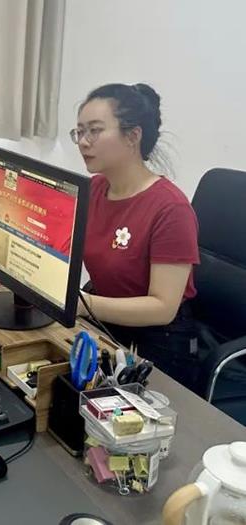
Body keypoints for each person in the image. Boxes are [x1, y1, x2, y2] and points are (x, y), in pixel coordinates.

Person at [71, 82, 200, 385]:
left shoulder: (171, 208)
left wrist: (81, 304)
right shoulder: (96, 188)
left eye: (95, 131)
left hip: (157, 342)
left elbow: (163, 307)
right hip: (106, 321)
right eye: (79, 131)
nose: (83, 142)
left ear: (132, 136)